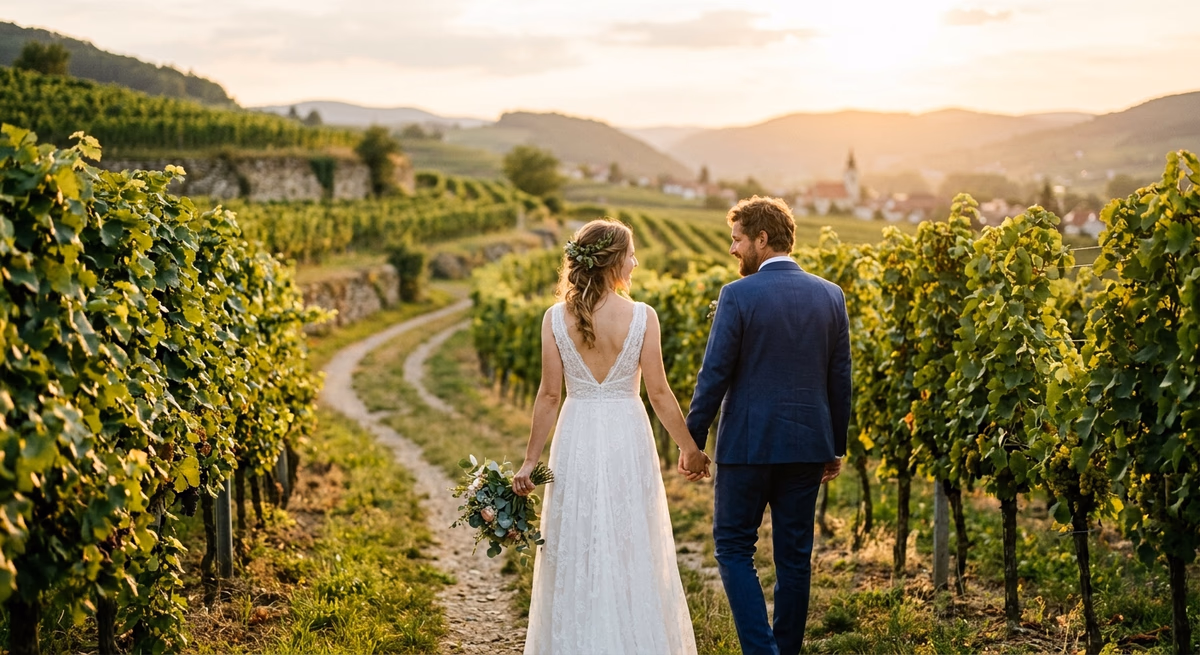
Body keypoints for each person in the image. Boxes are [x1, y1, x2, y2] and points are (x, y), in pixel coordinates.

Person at [512, 218, 707, 654]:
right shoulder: (642, 316)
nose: (635, 262)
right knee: (630, 538)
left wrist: (530, 460)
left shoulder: (554, 318)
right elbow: (658, 392)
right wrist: (690, 449)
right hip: (626, 433)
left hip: (576, 433)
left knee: (575, 538)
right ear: (613, 260)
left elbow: (548, 395)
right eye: (631, 254)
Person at [686, 196, 852, 655]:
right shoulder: (830, 294)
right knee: (795, 560)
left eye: (738, 240)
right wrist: (834, 446)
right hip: (807, 446)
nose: (733, 250)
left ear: (762, 238)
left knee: (734, 549)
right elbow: (840, 378)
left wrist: (692, 441)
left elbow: (713, 374)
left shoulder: (737, 295)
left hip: (747, 447)